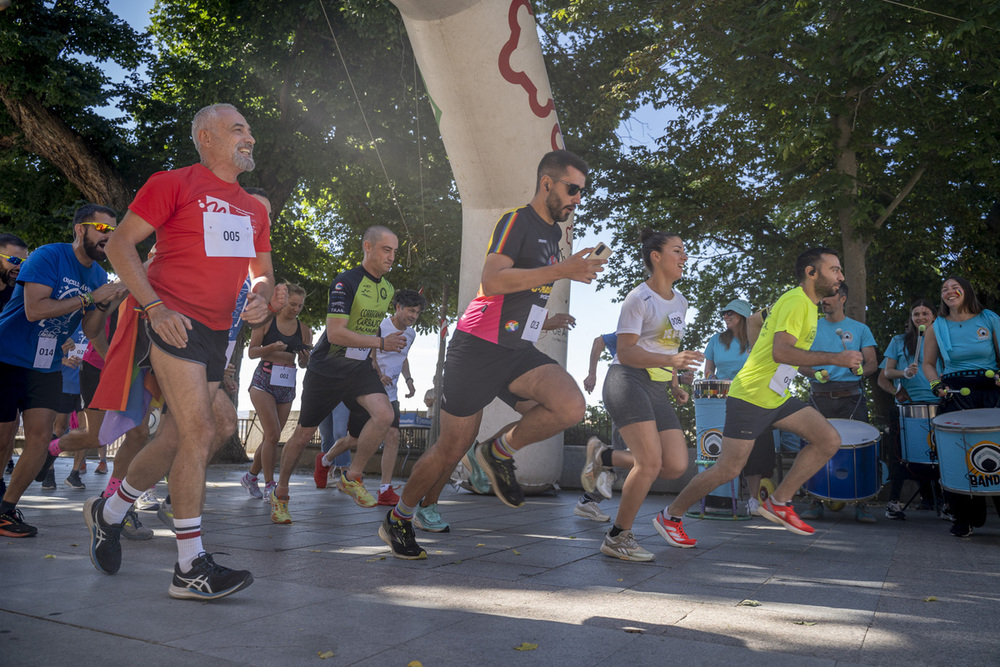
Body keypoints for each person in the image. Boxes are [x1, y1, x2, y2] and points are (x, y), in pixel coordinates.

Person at [83, 103, 277, 600]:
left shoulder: (254, 209)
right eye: (238, 129)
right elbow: (120, 245)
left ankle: (107, 511)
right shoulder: (173, 183)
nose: (249, 136)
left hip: (217, 332)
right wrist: (153, 306)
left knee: (173, 438)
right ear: (207, 137)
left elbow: (262, 270)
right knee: (202, 428)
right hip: (172, 320)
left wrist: (259, 295)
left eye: (250, 130)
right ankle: (190, 567)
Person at [379, 149, 605, 559]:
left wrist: (546, 320)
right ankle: (400, 516)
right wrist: (562, 271)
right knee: (450, 448)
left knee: (570, 406)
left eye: (581, 192)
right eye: (572, 189)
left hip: (515, 349)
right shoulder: (516, 221)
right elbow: (493, 280)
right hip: (478, 349)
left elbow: (527, 295)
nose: (576, 199)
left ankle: (497, 452)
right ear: (547, 183)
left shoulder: (554, 237)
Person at [659, 247, 863, 546]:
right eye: (834, 269)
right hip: (752, 396)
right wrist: (838, 359)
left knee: (828, 439)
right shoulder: (797, 302)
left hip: (776, 396)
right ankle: (670, 515)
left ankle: (779, 501)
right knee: (728, 468)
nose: (841, 276)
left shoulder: (804, 304)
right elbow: (782, 351)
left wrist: (759, 354)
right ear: (812, 272)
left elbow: (754, 321)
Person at [0, 206, 122, 538]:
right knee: (3, 439)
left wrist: (103, 304)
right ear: (80, 230)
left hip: (47, 364)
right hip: (7, 356)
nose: (107, 235)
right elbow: (34, 308)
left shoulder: (97, 274)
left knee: (40, 439)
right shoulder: (47, 257)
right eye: (100, 227)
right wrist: (89, 297)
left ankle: (5, 510)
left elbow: (91, 328)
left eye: (113, 229)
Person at [269, 225, 402, 523]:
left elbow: (366, 330)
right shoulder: (345, 283)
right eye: (386, 249)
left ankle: (352, 476)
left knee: (384, 416)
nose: (392, 257)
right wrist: (381, 343)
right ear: (368, 247)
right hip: (327, 369)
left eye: (395, 252)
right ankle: (280, 493)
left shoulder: (388, 289)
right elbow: (337, 333)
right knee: (303, 434)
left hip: (358, 370)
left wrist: (374, 364)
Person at [597, 230, 704, 561]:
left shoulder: (681, 302)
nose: (684, 257)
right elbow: (627, 353)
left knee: (673, 465)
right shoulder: (637, 299)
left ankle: (603, 458)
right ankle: (618, 537)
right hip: (626, 381)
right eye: (677, 250)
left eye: (684, 251)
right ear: (656, 257)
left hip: (657, 387)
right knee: (650, 462)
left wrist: (674, 382)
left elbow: (665, 347)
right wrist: (671, 361)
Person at [314, 289, 426, 506]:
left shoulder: (411, 334)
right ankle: (325, 459)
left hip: (391, 393)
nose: (413, 316)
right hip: (369, 390)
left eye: (417, 312)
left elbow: (403, 358)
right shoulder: (380, 326)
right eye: (410, 310)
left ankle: (385, 489)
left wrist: (410, 380)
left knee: (393, 436)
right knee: (355, 438)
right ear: (398, 307)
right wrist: (377, 374)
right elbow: (367, 354)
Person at [921, 276, 1000, 537]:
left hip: (991, 393)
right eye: (943, 288)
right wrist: (935, 386)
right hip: (955, 394)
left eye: (954, 287)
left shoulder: (989, 318)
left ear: (966, 290)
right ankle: (964, 518)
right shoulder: (937, 325)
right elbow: (928, 364)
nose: (949, 291)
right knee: (957, 455)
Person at [797, 282, 880, 522]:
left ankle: (863, 504)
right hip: (819, 396)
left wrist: (861, 371)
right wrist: (814, 373)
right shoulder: (810, 328)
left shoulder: (860, 328)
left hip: (851, 397)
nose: (824, 300)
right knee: (815, 446)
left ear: (842, 298)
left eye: (829, 296)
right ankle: (814, 501)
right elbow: (799, 362)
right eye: (822, 296)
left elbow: (872, 363)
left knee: (862, 448)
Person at [241, 282, 311, 500]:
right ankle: (269, 484)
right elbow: (252, 352)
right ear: (282, 302)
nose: (296, 309)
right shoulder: (266, 323)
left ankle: (251, 476)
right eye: (292, 304)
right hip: (264, 380)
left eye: (300, 306)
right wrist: (271, 348)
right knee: (271, 434)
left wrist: (304, 358)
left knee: (274, 436)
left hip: (287, 383)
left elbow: (304, 364)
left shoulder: (304, 330)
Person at [702, 298, 774, 514]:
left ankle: (753, 499)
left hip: (754, 399)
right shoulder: (715, 340)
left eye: (730, 312)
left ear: (743, 317)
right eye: (724, 313)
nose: (726, 316)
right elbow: (707, 371)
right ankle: (717, 496)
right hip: (724, 401)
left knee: (756, 447)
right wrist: (712, 378)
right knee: (721, 448)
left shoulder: (757, 338)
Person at [878, 299, 940, 519]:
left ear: (933, 316)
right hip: (906, 407)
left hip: (938, 406)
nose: (920, 317)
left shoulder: (943, 340)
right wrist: (903, 374)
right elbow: (886, 374)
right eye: (916, 314)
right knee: (899, 456)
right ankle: (893, 503)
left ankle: (947, 504)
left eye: (925, 313)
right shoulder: (899, 341)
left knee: (941, 455)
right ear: (911, 318)